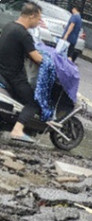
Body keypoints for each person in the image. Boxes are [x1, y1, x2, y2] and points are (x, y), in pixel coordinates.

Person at [0, 2, 43, 143]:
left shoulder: (9, 26)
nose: (39, 22)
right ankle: (17, 130)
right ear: (31, 16)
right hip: (14, 77)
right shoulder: (23, 34)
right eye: (39, 19)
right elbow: (37, 58)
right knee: (34, 103)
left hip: (3, 72)